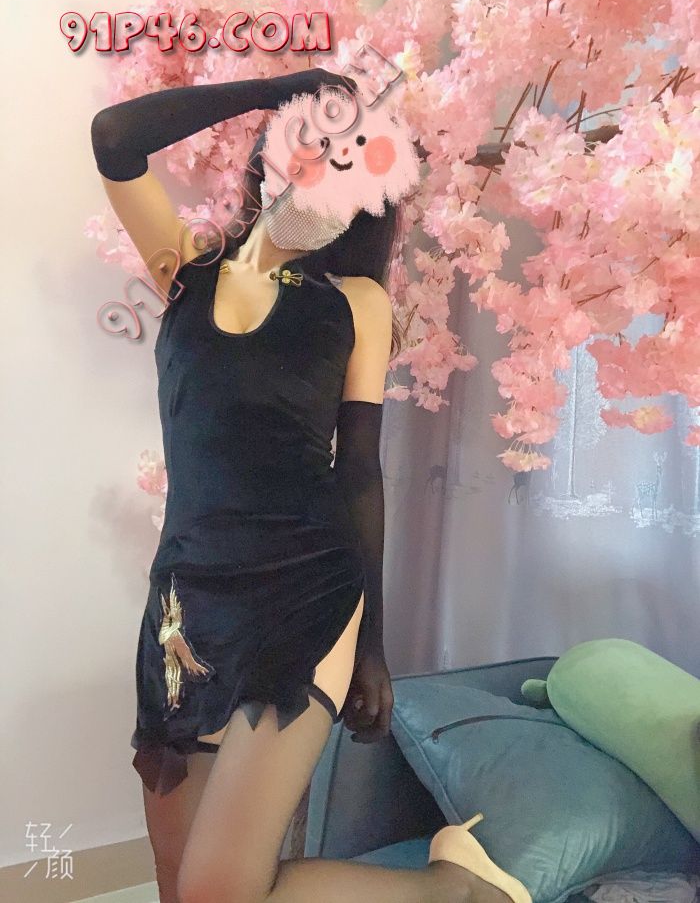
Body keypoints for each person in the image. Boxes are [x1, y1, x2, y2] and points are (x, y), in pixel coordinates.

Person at [91, 68, 531, 903]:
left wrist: (374, 646)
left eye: (351, 163)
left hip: (305, 591)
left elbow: (359, 472)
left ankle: (454, 888)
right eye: (315, 143)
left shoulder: (357, 302)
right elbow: (115, 137)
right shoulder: (184, 272)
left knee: (218, 889)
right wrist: (280, 85)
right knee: (179, 885)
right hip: (186, 601)